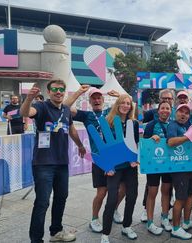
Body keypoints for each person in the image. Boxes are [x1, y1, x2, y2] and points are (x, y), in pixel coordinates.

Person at [20, 80, 86, 243]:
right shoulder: (42, 106)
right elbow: (25, 113)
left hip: (62, 163)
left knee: (61, 197)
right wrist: (28, 99)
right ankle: (36, 239)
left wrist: (80, 145)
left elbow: (71, 129)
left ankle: (56, 231)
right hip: (43, 164)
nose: (58, 92)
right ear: (49, 92)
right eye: (55, 89)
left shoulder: (65, 110)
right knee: (42, 202)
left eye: (61, 89)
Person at [63, 86, 125, 233]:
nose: (97, 100)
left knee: (122, 188)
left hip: (116, 156)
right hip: (99, 159)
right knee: (102, 192)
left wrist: (119, 96)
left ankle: (115, 209)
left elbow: (130, 105)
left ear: (103, 100)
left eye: (99, 98)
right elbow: (65, 108)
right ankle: (94, 219)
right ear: (90, 101)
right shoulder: (86, 115)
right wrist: (78, 92)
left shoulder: (111, 111)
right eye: (94, 98)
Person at [100, 94, 139, 243]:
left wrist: (134, 159)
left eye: (128, 103)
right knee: (111, 200)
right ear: (117, 104)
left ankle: (126, 226)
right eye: (123, 103)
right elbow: (103, 146)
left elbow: (135, 143)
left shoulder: (133, 123)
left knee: (132, 196)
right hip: (114, 167)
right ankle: (105, 233)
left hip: (129, 167)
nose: (125, 105)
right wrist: (107, 165)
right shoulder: (108, 122)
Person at [167, 104, 192, 240]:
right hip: (179, 168)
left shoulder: (188, 125)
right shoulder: (173, 125)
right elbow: (171, 142)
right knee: (180, 198)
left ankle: (186, 222)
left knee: (191, 194)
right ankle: (175, 228)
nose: (183, 114)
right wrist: (188, 137)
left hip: (190, 167)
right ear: (176, 112)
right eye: (181, 111)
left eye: (186, 112)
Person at [143, 101, 173, 234]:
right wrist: (151, 138)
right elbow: (144, 144)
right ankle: (150, 222)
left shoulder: (173, 125)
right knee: (152, 192)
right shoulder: (151, 125)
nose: (165, 110)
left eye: (167, 108)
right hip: (154, 164)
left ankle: (165, 217)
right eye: (163, 108)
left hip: (169, 164)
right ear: (158, 110)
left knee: (166, 191)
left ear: (170, 111)